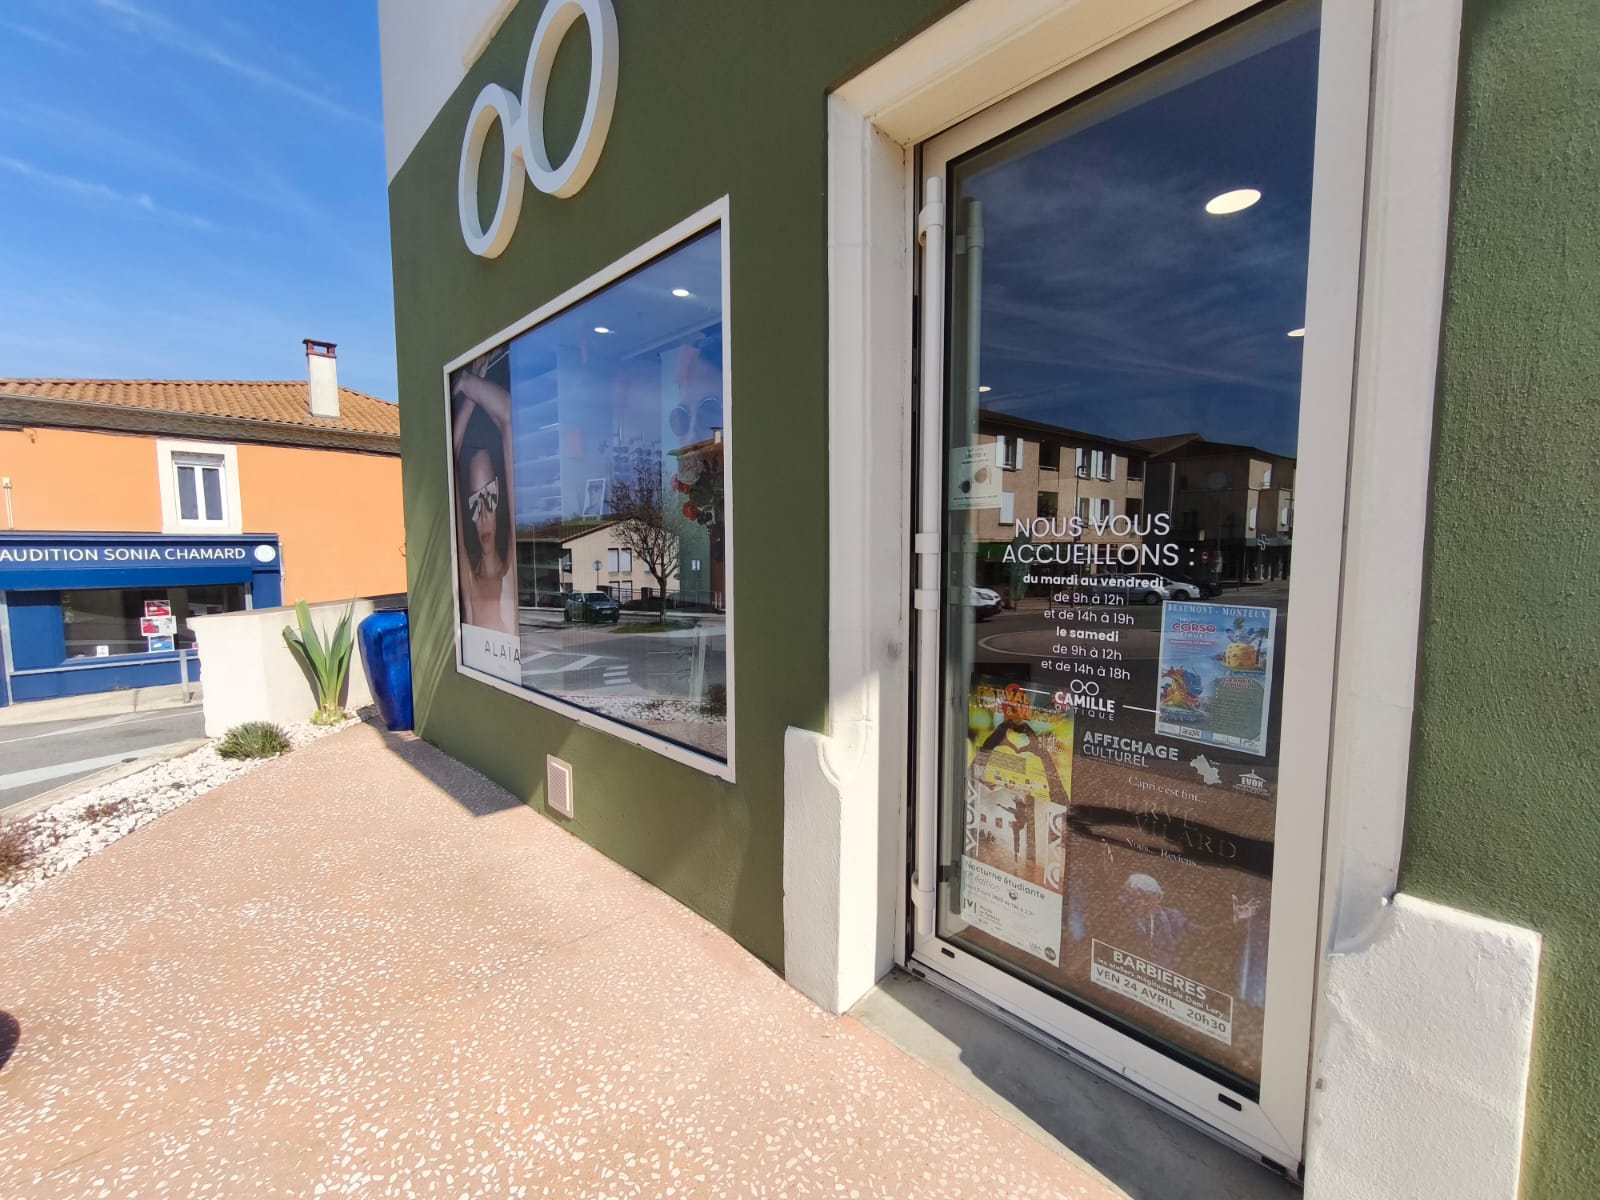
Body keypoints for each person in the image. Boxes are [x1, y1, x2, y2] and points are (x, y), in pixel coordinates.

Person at [452, 360, 517, 636]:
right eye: (475, 502)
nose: (483, 515)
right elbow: (449, 457)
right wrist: (469, 395)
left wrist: (469, 384)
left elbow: (509, 417)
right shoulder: (469, 581)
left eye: (489, 498)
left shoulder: (512, 571)